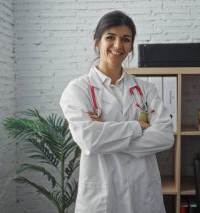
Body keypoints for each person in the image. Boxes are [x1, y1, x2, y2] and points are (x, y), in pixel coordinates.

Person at [60, 10, 174, 213]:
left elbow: (165, 136)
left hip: (143, 191)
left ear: (131, 46)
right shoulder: (78, 89)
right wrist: (137, 126)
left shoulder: (146, 90)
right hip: (102, 195)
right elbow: (89, 139)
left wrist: (105, 135)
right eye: (110, 37)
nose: (118, 45)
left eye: (126, 39)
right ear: (97, 42)